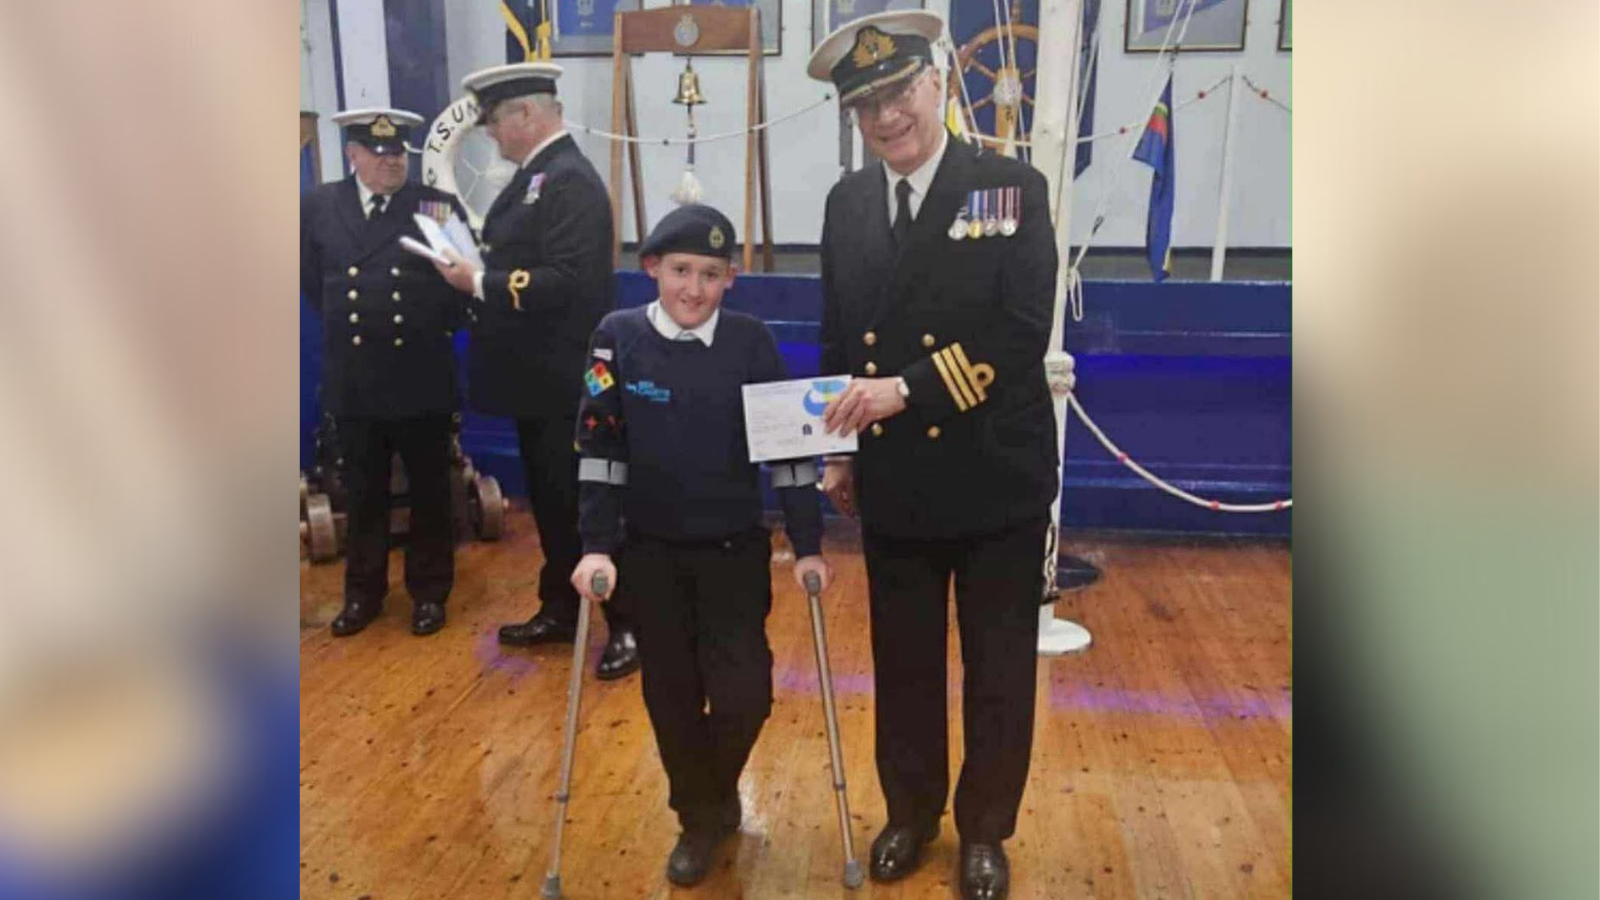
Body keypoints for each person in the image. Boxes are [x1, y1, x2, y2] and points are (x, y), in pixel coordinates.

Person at [807, 12, 1060, 900]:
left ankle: (985, 828)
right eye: (865, 103)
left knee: (998, 662)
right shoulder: (846, 203)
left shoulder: (1009, 188)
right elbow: (840, 333)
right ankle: (910, 813)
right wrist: (837, 452)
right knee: (904, 659)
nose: (885, 117)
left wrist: (903, 391)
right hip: (895, 476)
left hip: (995, 470)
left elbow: (1020, 332)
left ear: (941, 84)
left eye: (899, 92)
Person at [568, 204, 833, 887]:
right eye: (681, 270)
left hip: (732, 552)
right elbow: (600, 449)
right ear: (652, 267)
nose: (693, 288)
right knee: (672, 694)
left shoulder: (752, 343)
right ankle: (698, 817)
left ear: (731, 279)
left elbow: (792, 456)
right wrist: (596, 545)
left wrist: (808, 543)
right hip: (648, 554)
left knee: (746, 694)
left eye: (710, 274)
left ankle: (711, 799)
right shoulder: (616, 337)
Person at [435, 62, 638, 678]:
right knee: (552, 503)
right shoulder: (536, 178)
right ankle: (561, 607)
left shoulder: (569, 181)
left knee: (588, 505)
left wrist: (480, 280)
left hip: (567, 380)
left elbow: (573, 283)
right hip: (536, 381)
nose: (492, 134)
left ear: (527, 113)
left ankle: (629, 623)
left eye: (497, 121)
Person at [301, 108, 469, 638]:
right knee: (363, 491)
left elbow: (464, 287)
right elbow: (312, 282)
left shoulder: (434, 206)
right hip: (355, 375)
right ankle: (363, 594)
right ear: (353, 155)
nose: (392, 160)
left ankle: (429, 593)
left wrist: (424, 328)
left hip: (420, 373)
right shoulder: (317, 206)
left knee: (430, 492)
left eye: (398, 151)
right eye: (379, 152)